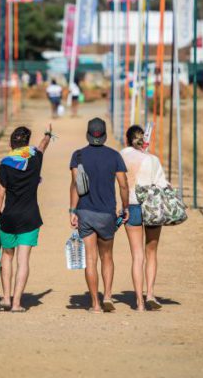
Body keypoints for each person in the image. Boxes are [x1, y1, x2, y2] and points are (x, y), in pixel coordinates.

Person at [0, 125, 53, 312]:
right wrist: (47, 134)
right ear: (26, 143)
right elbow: (42, 145)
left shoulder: (5, 165)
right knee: (23, 261)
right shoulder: (35, 158)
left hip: (9, 219)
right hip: (30, 217)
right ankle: (17, 304)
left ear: (11, 144)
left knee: (7, 256)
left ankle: (6, 298)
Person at [69, 118, 129, 313]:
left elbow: (75, 185)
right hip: (107, 213)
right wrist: (125, 207)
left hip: (85, 211)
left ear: (88, 134)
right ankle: (108, 296)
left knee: (91, 259)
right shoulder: (114, 156)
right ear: (104, 134)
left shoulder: (78, 155)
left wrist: (72, 210)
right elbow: (123, 184)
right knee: (107, 256)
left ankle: (95, 303)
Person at [120, 125, 168, 311]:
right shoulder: (153, 160)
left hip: (131, 206)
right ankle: (150, 293)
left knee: (136, 255)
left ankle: (139, 302)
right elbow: (162, 184)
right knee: (151, 252)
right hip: (152, 207)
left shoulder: (122, 156)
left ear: (127, 139)